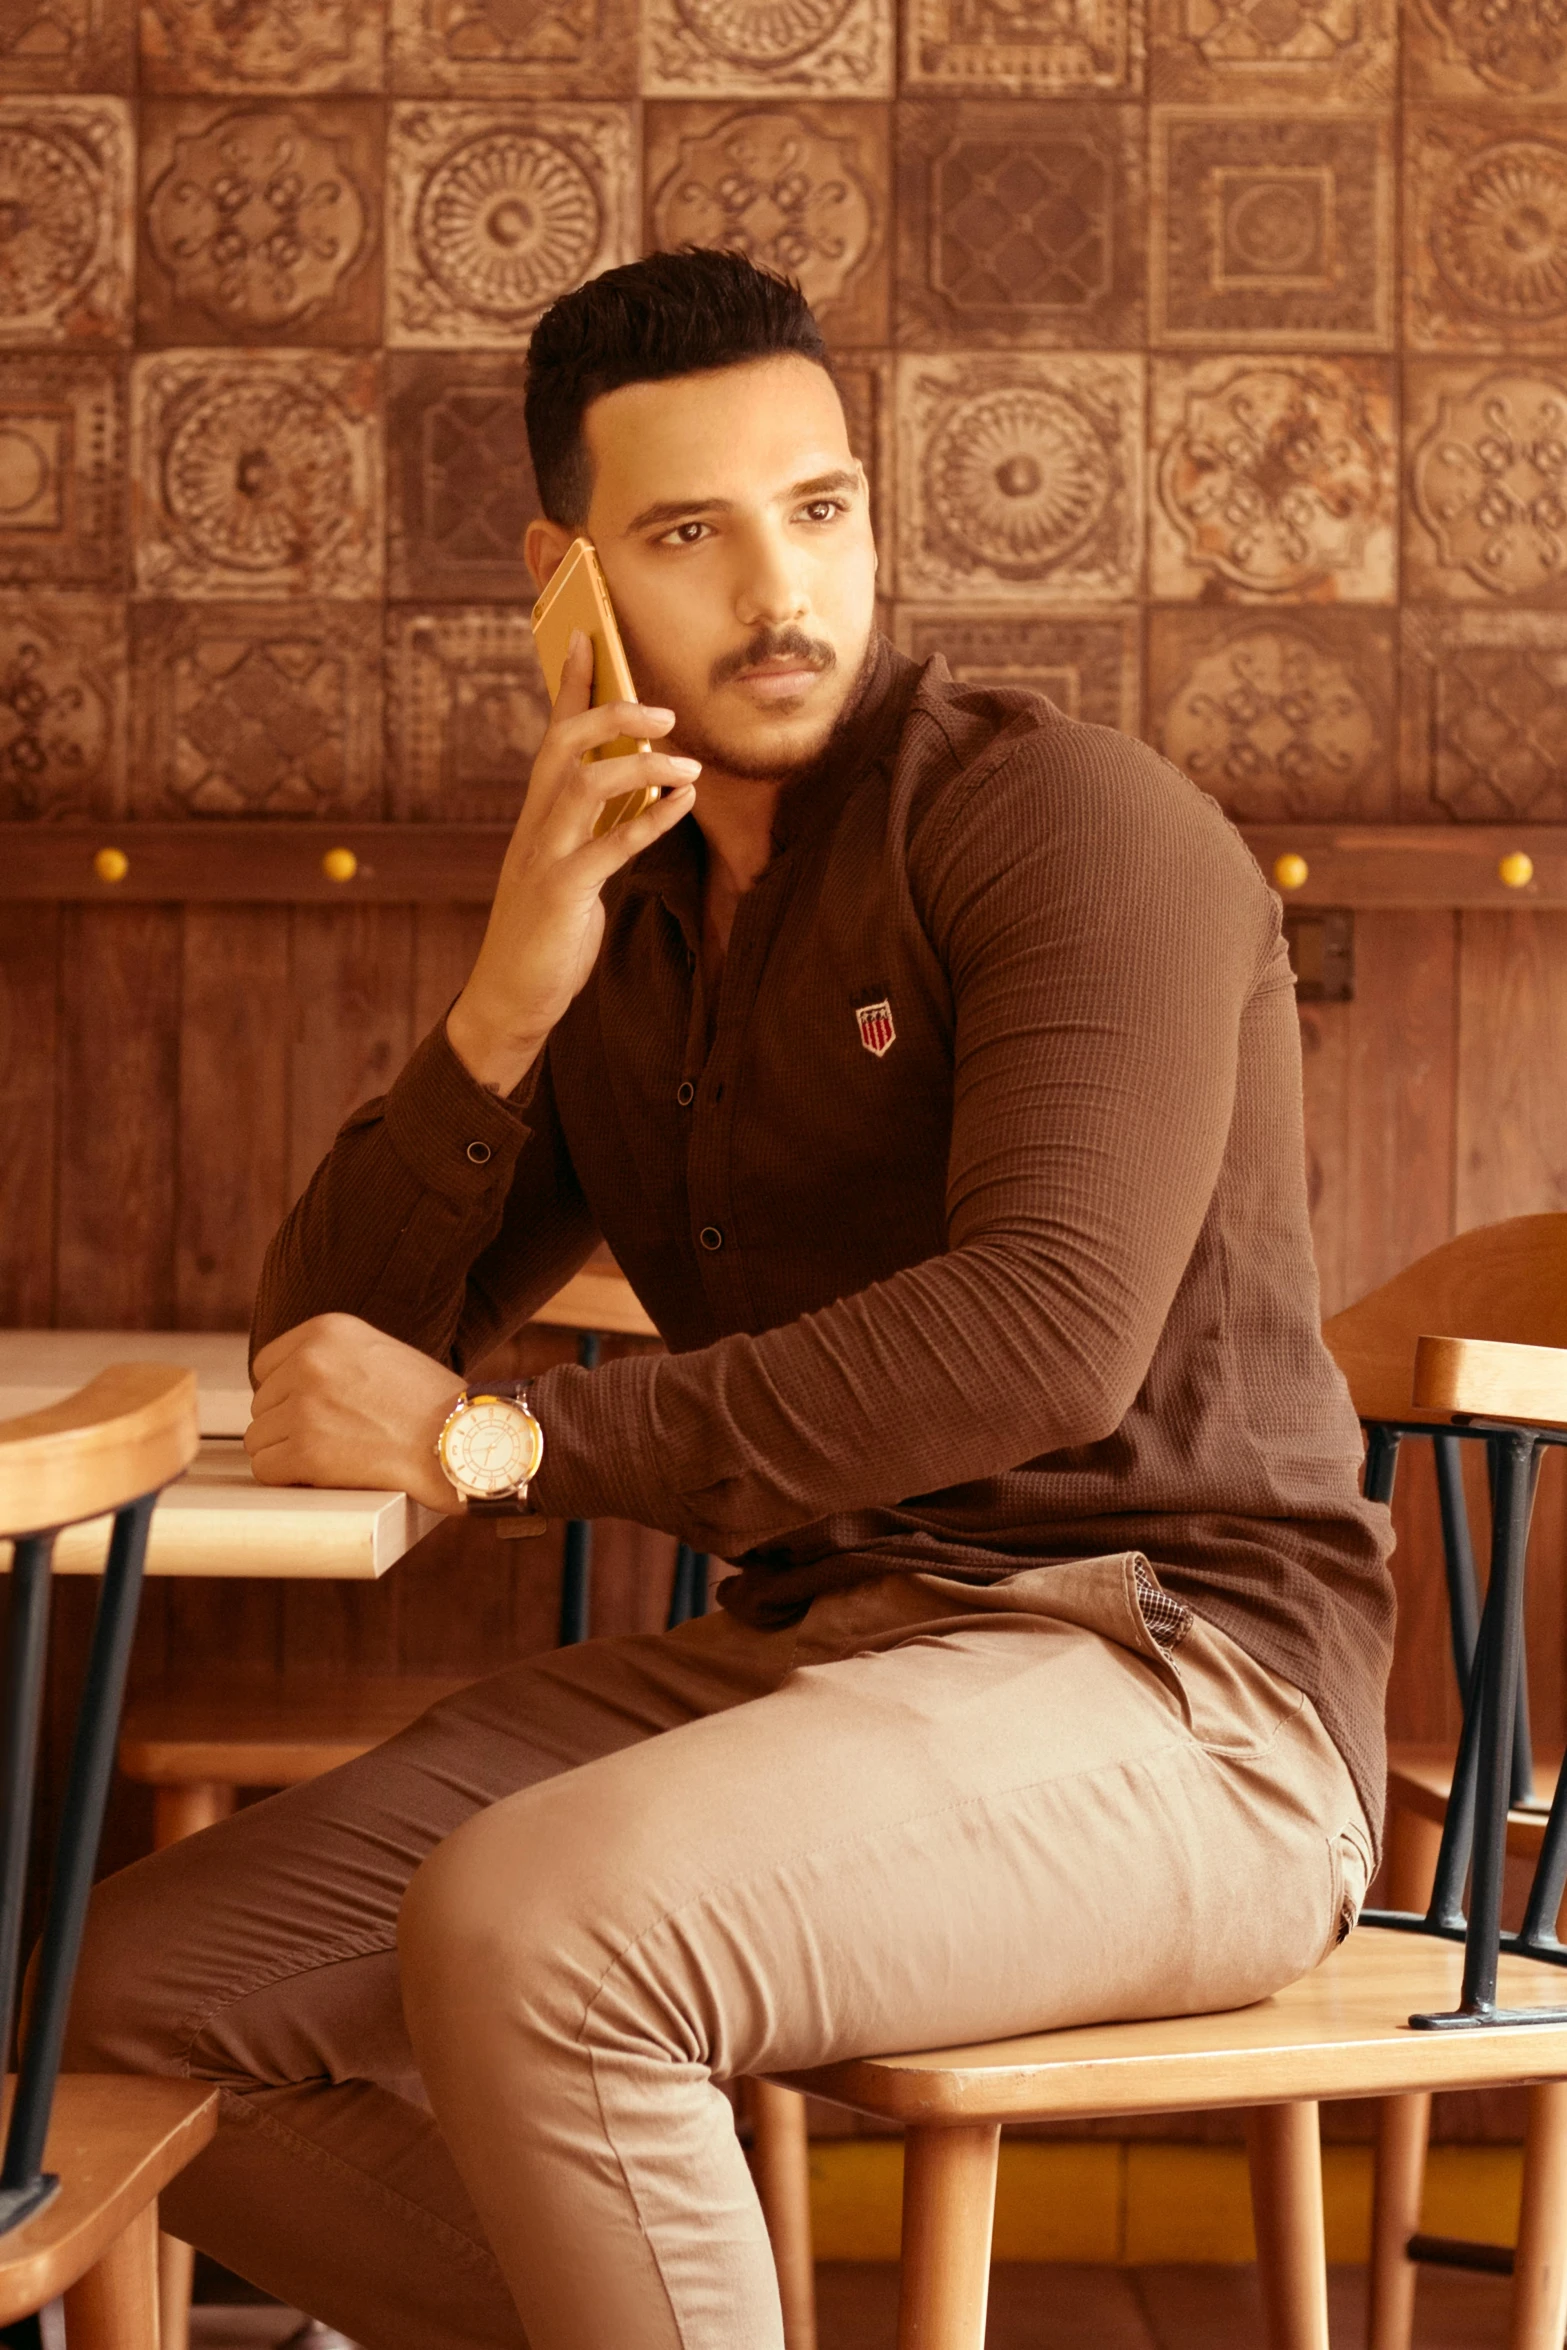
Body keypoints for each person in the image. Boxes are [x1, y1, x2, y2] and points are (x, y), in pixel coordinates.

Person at [67, 249, 1393, 2350]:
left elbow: (1044, 1328)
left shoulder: (1064, 820)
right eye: (690, 532)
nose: (782, 588)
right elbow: (329, 1348)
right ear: (565, 579)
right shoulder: (633, 922)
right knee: (117, 1997)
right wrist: (507, 998)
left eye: (822, 507)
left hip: (1179, 1696)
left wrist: (496, 1440)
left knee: (533, 1923)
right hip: (815, 1661)